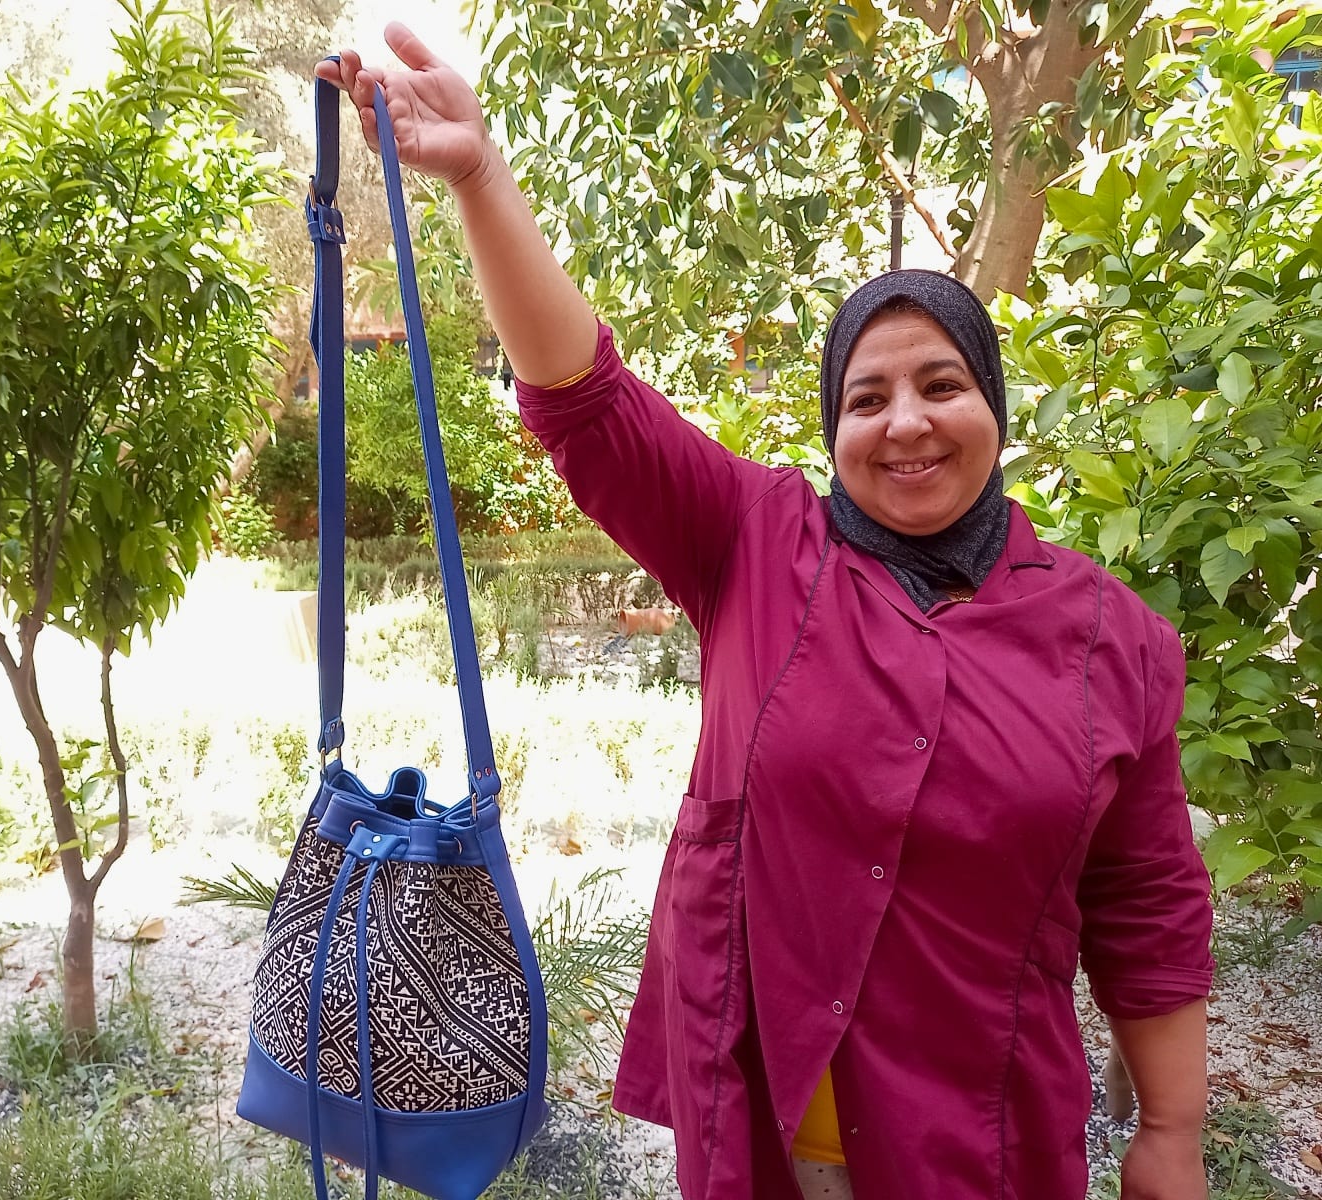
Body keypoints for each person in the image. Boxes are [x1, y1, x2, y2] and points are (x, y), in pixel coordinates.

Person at [319, 29, 1214, 1200]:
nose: (904, 423)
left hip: (982, 1147)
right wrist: (481, 179)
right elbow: (585, 403)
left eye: (941, 385)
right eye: (865, 396)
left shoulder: (1113, 639)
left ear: (992, 409)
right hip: (763, 1139)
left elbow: (1147, 902)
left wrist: (1171, 1131)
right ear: (834, 429)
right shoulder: (753, 540)